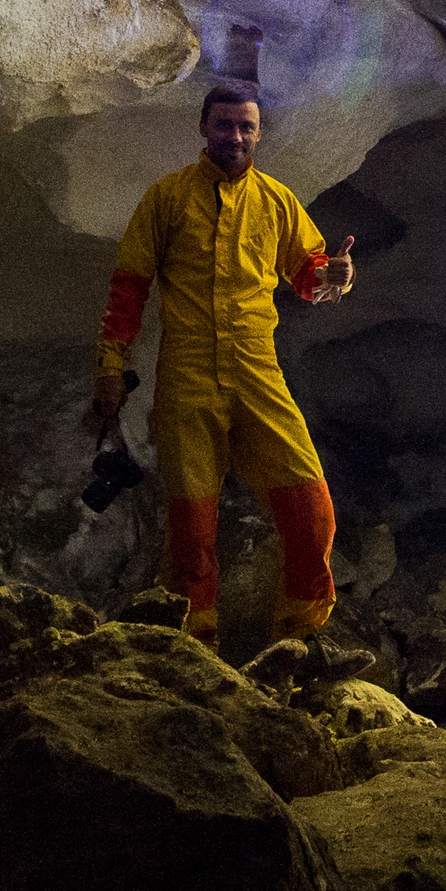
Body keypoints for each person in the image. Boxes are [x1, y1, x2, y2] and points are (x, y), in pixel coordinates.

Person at [93, 83, 356, 645]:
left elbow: (307, 278)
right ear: (203, 128)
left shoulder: (278, 201)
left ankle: (297, 639)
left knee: (313, 514)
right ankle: (197, 650)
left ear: (258, 132)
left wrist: (332, 278)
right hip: (187, 374)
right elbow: (128, 290)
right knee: (192, 533)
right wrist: (110, 367)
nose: (235, 136)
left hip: (258, 369)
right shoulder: (166, 199)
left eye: (246, 126)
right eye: (224, 125)